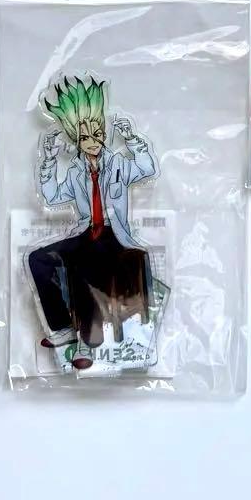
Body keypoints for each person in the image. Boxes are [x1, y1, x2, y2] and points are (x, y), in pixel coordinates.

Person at [26, 77, 156, 371]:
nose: (93, 141)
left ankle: (89, 340)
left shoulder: (119, 164)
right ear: (77, 141)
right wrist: (48, 161)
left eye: (97, 134)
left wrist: (132, 139)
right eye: (86, 137)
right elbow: (52, 196)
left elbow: (148, 168)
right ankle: (64, 327)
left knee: (85, 261)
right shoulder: (75, 172)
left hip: (114, 235)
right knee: (38, 259)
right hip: (86, 232)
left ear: (104, 134)